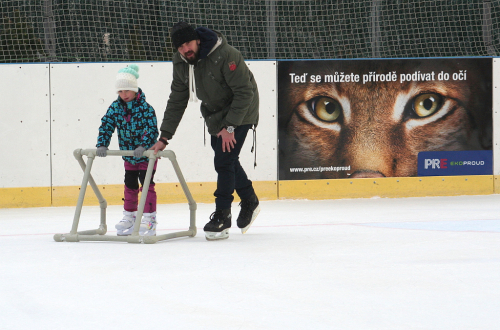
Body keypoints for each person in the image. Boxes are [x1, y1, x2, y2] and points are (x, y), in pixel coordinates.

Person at [151, 21, 260, 241]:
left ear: (197, 40)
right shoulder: (181, 62)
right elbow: (177, 99)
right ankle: (249, 199)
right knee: (227, 159)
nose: (185, 49)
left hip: (243, 109)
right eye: (180, 46)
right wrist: (164, 137)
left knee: (224, 159)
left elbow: (244, 93)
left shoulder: (226, 55)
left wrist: (230, 127)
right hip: (214, 114)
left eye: (188, 43)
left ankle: (222, 215)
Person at [96, 64, 159, 236]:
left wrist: (144, 146)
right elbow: (107, 124)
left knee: (146, 185)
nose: (123, 95)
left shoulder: (146, 108)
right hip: (129, 157)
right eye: (120, 92)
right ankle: (129, 216)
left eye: (126, 91)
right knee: (130, 185)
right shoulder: (116, 108)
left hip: (146, 156)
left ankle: (149, 219)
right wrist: (102, 144)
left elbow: (152, 129)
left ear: (134, 89)